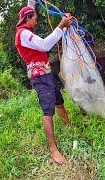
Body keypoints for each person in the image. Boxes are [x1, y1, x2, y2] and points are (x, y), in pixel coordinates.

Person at [15, 0, 74, 164]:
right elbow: (44, 45)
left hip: (46, 72)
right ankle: (53, 150)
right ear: (27, 18)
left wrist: (32, 2)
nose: (36, 20)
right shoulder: (24, 33)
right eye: (34, 18)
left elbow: (30, 6)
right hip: (39, 77)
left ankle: (69, 125)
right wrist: (61, 26)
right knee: (48, 112)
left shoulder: (25, 28)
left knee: (59, 102)